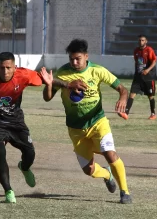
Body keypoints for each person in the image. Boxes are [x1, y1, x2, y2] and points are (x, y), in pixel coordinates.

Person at [0, 52, 86, 203]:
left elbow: (47, 79)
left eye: (9, 68)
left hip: (16, 122)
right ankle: (8, 190)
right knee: (0, 152)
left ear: (15, 67)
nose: (5, 71)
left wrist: (68, 85)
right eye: (2, 68)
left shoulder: (23, 74)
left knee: (30, 153)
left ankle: (24, 167)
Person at [42, 39, 132, 204]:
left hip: (98, 122)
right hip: (76, 129)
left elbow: (122, 88)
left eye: (78, 59)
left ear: (86, 56)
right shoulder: (62, 73)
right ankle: (106, 174)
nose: (74, 62)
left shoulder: (97, 71)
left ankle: (124, 191)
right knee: (88, 170)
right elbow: (47, 98)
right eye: (71, 59)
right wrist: (50, 84)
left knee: (110, 154)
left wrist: (123, 99)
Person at [118, 34, 157, 120]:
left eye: (143, 40)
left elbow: (154, 61)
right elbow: (137, 62)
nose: (141, 42)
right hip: (138, 77)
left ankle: (153, 114)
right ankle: (126, 113)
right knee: (132, 94)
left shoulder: (149, 50)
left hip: (148, 77)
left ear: (146, 41)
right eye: (140, 40)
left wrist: (147, 70)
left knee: (150, 95)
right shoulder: (136, 51)